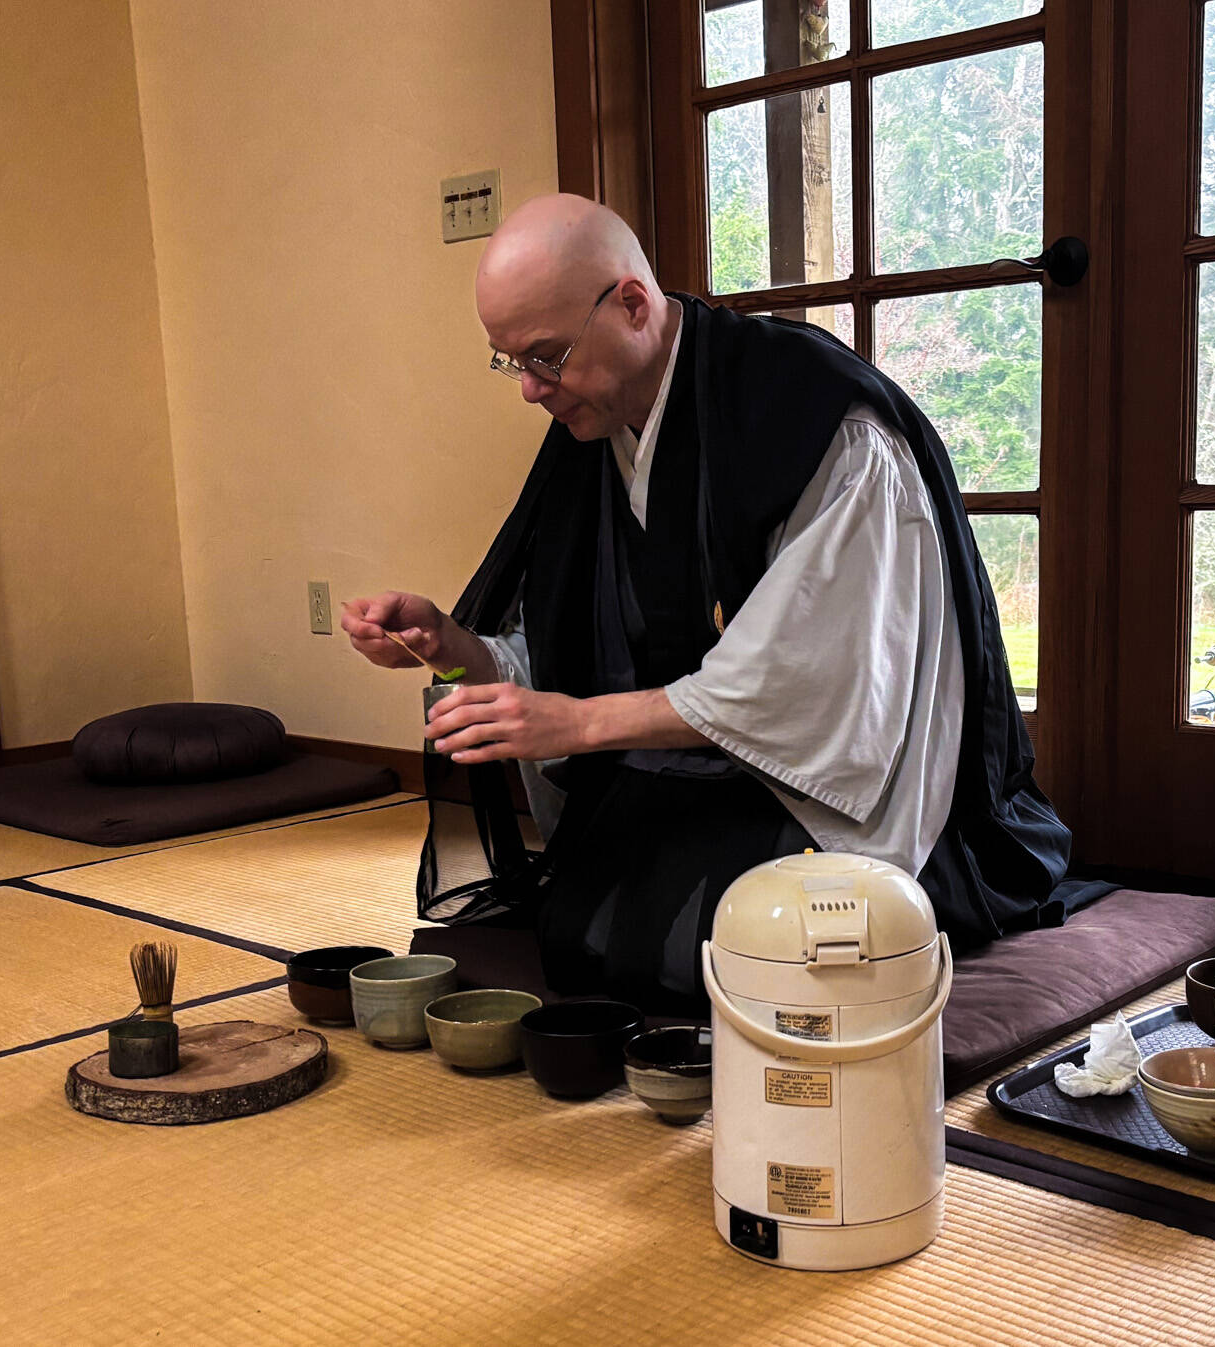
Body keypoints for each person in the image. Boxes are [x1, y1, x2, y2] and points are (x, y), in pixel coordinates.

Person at [343, 194, 1106, 1014]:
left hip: (822, 779)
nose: (530, 390)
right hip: (688, 769)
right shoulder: (591, 434)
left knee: (715, 950)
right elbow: (572, 663)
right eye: (511, 362)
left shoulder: (809, 416)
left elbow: (817, 685)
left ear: (633, 304)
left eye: (545, 356)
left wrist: (582, 722)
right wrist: (456, 647)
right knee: (582, 933)